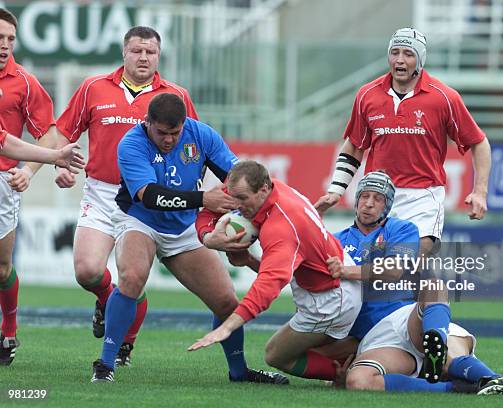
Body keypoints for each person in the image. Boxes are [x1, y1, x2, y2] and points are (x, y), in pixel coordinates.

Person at [314, 27, 492, 379]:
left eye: (408, 54)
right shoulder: (367, 95)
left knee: (410, 264)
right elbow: (353, 146)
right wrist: (337, 188)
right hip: (378, 197)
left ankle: (431, 341)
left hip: (422, 197)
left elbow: (479, 142)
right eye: (395, 52)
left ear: (419, 60)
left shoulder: (443, 97)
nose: (399, 60)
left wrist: (480, 190)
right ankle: (414, 341)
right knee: (380, 273)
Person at [91, 93, 287, 386]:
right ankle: (105, 364)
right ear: (147, 123)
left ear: (185, 125)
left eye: (175, 133)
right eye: (162, 133)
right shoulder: (131, 143)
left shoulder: (202, 135)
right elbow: (150, 196)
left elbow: (236, 177)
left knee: (225, 302)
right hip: (139, 219)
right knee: (131, 278)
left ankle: (239, 373)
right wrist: (203, 198)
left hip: (183, 227)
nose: (169, 140)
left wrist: (249, 206)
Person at [54, 26, 200, 366]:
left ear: (158, 56)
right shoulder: (93, 87)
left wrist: (190, 189)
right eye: (137, 50)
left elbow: (193, 146)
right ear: (124, 52)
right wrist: (61, 164)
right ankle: (108, 299)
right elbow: (64, 132)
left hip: (146, 201)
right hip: (103, 192)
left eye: (150, 52)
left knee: (131, 277)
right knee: (87, 271)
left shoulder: (175, 95)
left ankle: (124, 342)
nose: (144, 57)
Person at [326, 172, 503, 395]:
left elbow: (395, 269)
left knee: (434, 287)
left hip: (408, 319)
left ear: (387, 205)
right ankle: (476, 385)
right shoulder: (335, 240)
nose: (369, 203)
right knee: (358, 381)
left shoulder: (401, 229)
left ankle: (437, 347)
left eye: (378, 198)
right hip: (376, 339)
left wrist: (346, 270)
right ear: (356, 199)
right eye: (364, 196)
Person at [190, 160, 362, 383]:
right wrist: (208, 236)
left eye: (242, 199)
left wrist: (228, 327)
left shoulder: (281, 227)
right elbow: (210, 209)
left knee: (277, 355)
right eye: (233, 197)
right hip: (327, 274)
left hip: (330, 298)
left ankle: (350, 373)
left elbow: (269, 284)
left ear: (263, 189)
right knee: (304, 348)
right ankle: (353, 351)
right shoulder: (271, 187)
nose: (236, 204)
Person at [0, 8, 62, 366]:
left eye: (10, 39)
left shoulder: (24, 82)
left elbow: (49, 134)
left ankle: (9, 330)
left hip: (3, 182)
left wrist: (31, 169)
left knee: (1, 268)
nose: (5, 45)